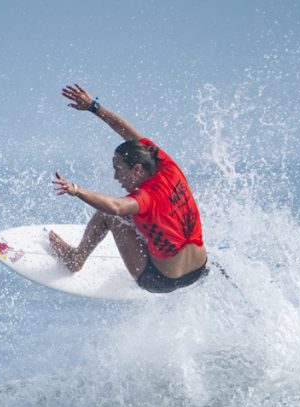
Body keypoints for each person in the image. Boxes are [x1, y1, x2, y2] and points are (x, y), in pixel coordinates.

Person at [50, 83, 207, 294]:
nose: (116, 176)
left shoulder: (146, 197)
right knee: (153, 219)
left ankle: (75, 259)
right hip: (199, 269)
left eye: (119, 169)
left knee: (110, 216)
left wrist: (76, 190)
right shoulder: (167, 166)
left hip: (161, 280)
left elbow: (115, 207)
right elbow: (128, 132)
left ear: (137, 169)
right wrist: (93, 107)